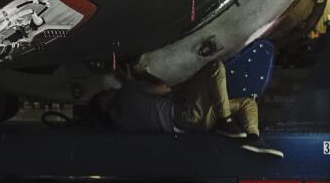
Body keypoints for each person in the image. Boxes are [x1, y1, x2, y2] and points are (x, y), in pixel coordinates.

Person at [93, 60, 284, 158]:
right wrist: (140, 74)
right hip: (187, 112)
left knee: (246, 103)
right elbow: (165, 88)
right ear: (103, 101)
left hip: (195, 123)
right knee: (215, 68)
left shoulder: (121, 125)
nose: (110, 89)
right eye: (106, 91)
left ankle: (253, 138)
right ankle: (226, 122)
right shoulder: (126, 92)